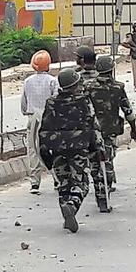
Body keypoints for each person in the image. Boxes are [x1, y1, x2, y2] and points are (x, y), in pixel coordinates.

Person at [39, 69, 105, 233]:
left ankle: (65, 209)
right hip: (79, 148)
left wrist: (44, 153)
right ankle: (72, 205)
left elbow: (44, 128)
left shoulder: (51, 102)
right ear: (76, 85)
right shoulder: (84, 101)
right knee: (81, 183)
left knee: (64, 183)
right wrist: (99, 148)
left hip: (57, 149)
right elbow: (93, 125)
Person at [84, 56, 136, 210]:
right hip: (110, 130)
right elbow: (127, 110)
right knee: (107, 159)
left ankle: (100, 190)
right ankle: (105, 191)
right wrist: (134, 129)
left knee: (95, 162)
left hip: (91, 131)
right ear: (111, 69)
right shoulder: (118, 87)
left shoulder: (88, 87)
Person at [21, 50, 58, 194]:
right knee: (52, 149)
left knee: (33, 150)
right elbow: (56, 100)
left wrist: (27, 113)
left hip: (33, 119)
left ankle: (35, 183)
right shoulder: (52, 81)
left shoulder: (28, 81)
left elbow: (24, 104)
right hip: (49, 120)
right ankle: (56, 179)